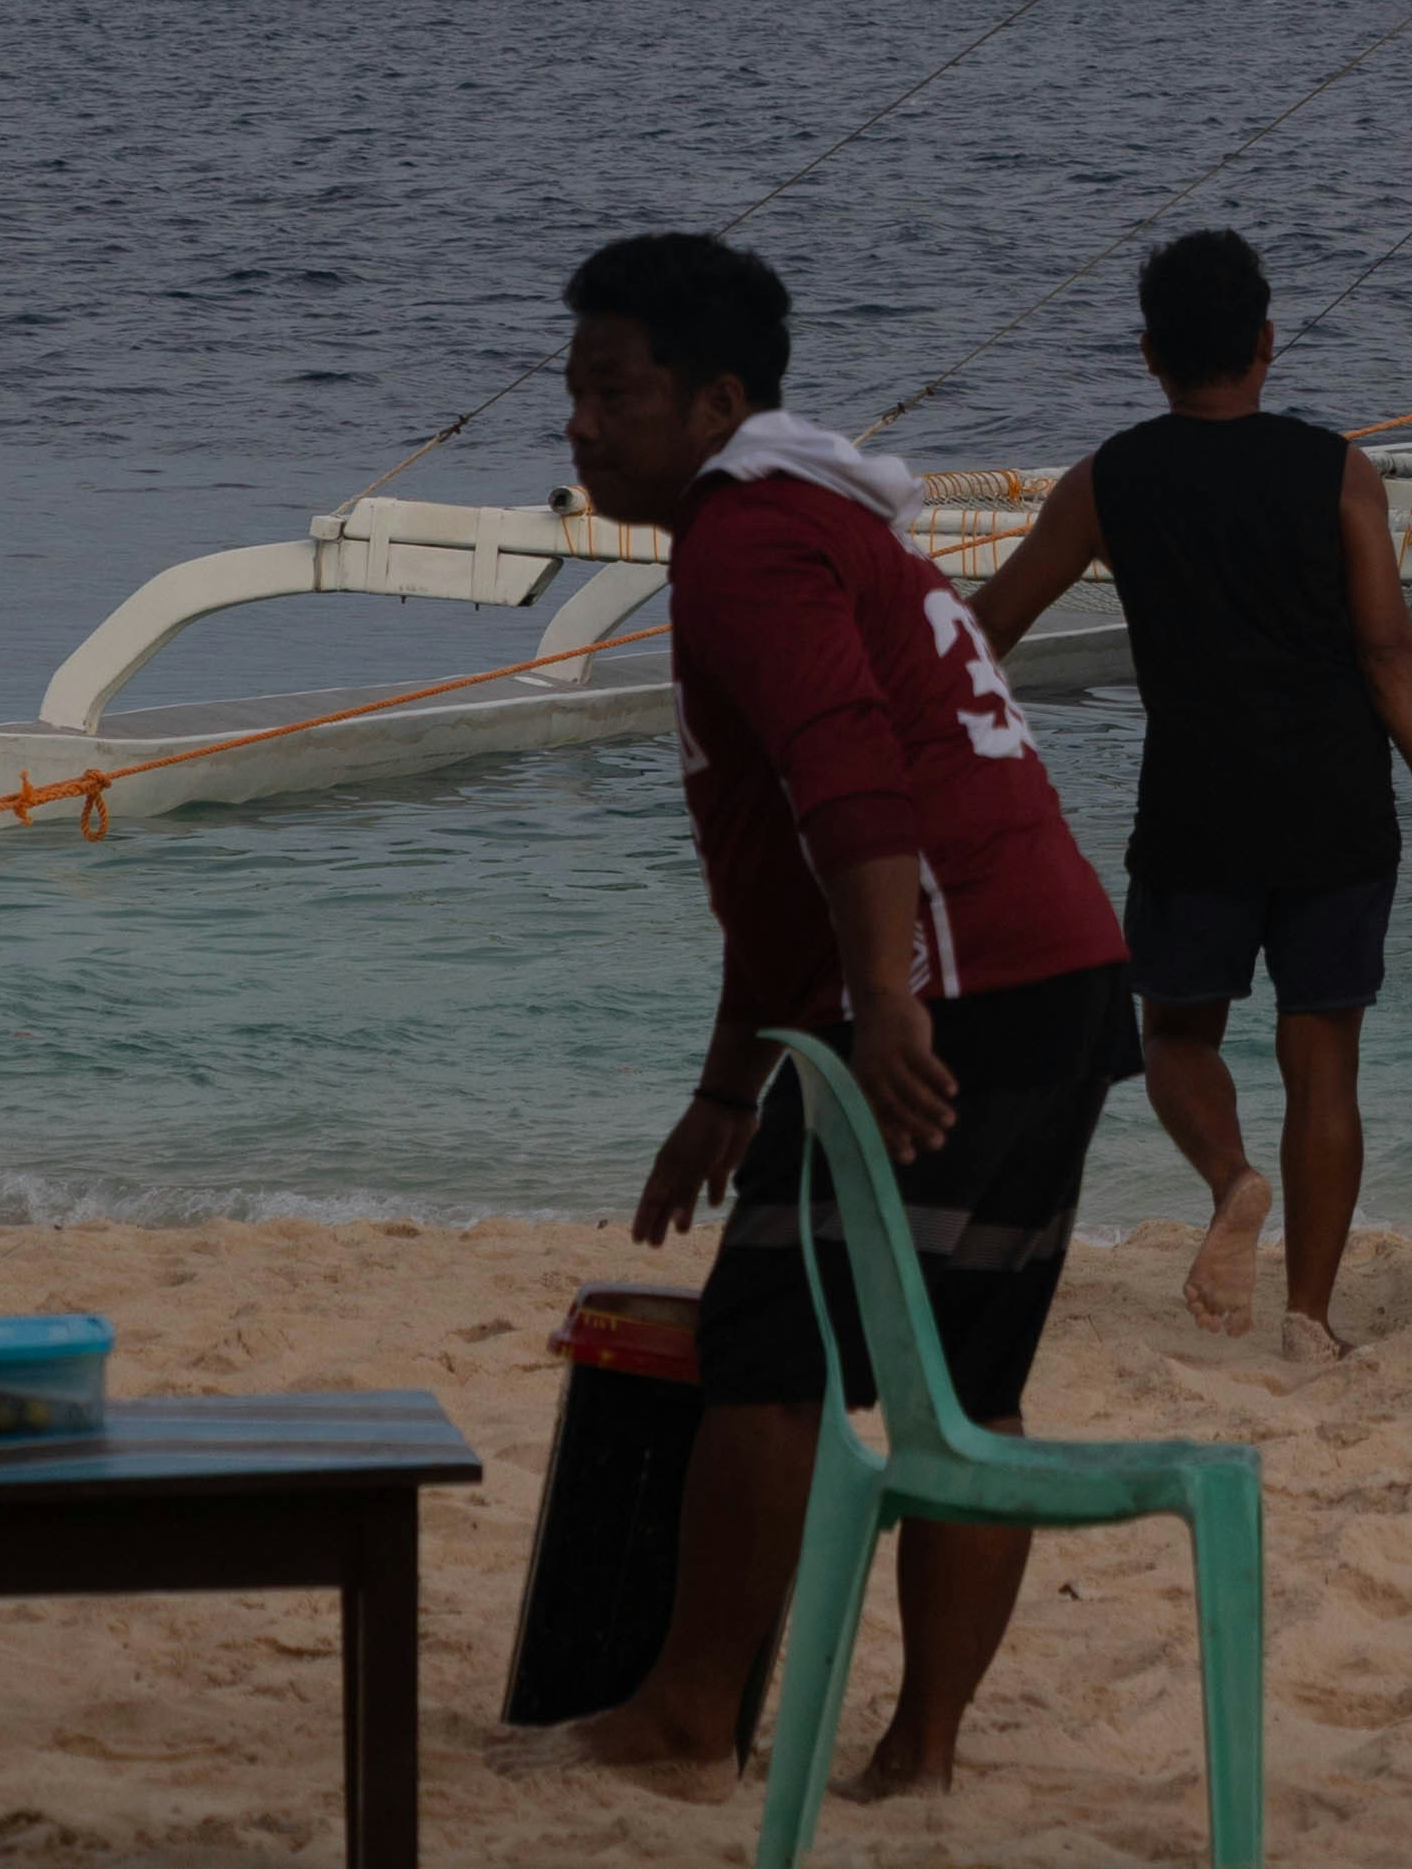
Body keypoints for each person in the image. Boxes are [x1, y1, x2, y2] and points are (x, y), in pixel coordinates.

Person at [543, 232, 1133, 1800]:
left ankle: (686, 1719)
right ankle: (918, 1755)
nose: (582, 426)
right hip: (1058, 968)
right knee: (961, 1375)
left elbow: (844, 764)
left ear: (715, 398)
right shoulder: (804, 519)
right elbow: (774, 879)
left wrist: (883, 996)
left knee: (767, 1340)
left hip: (948, 979)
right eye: (573, 392)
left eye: (616, 390)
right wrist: (727, 1090)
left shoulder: (747, 539)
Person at [964, 230, 1412, 1359]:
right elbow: (1391, 652)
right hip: (1336, 803)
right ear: (1266, 343)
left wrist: (956, 766)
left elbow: (988, 628)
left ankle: (1234, 1181)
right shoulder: (1337, 470)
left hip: (1195, 805)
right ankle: (1308, 1319)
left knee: (1176, 1037)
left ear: (1151, 355)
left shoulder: (1109, 480)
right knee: (1322, 1060)